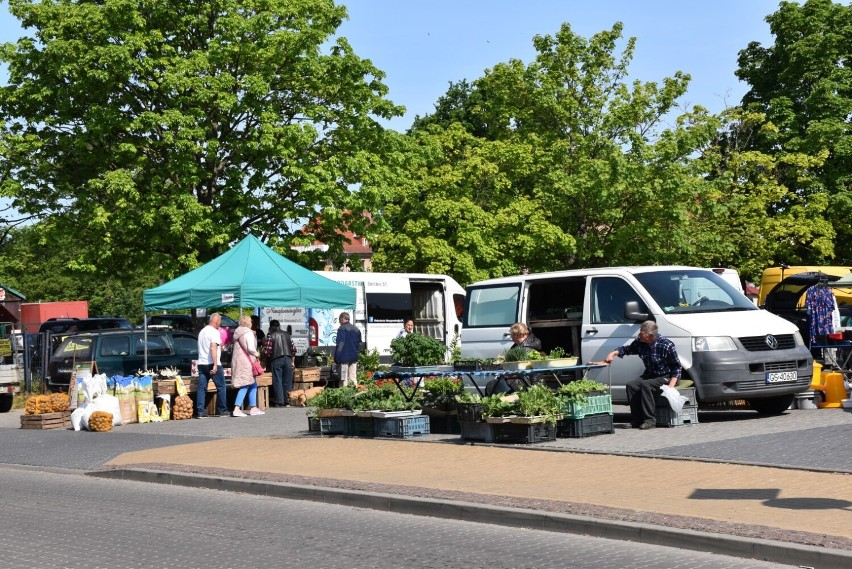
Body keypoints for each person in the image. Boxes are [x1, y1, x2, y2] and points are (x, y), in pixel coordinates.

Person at [601, 320, 682, 430]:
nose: (639, 335)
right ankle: (637, 420)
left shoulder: (666, 345)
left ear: (650, 335)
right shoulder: (640, 342)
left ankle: (650, 420)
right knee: (631, 385)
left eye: (641, 333)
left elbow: (676, 367)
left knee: (645, 385)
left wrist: (671, 386)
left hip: (667, 376)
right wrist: (613, 353)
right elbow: (627, 349)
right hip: (651, 374)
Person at [195, 313, 229, 418]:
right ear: (217, 321)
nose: (220, 324)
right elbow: (213, 347)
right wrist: (215, 365)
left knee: (201, 387)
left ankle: (200, 411)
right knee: (221, 386)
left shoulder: (202, 331)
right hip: (212, 362)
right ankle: (222, 409)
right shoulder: (214, 332)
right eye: (220, 322)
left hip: (201, 362)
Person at [231, 315, 265, 417]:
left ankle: (253, 407)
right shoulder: (248, 333)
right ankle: (236, 408)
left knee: (253, 384)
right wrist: (257, 354)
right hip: (247, 362)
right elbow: (250, 348)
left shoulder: (238, 332)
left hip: (240, 361)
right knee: (245, 384)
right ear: (248, 322)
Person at [265, 319, 294, 407]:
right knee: (287, 380)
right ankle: (288, 400)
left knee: (277, 380)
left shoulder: (270, 335)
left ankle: (279, 401)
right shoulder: (287, 334)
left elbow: (267, 350)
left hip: (276, 358)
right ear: (279, 326)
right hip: (288, 358)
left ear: (271, 327)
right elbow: (293, 349)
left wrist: (266, 356)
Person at [335, 312, 362, 387]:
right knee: (353, 378)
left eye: (339, 319)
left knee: (343, 379)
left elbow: (340, 343)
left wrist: (337, 357)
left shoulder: (341, 328)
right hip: (354, 357)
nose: (339, 321)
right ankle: (354, 394)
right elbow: (359, 344)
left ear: (343, 318)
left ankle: (343, 395)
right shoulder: (356, 329)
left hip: (344, 358)